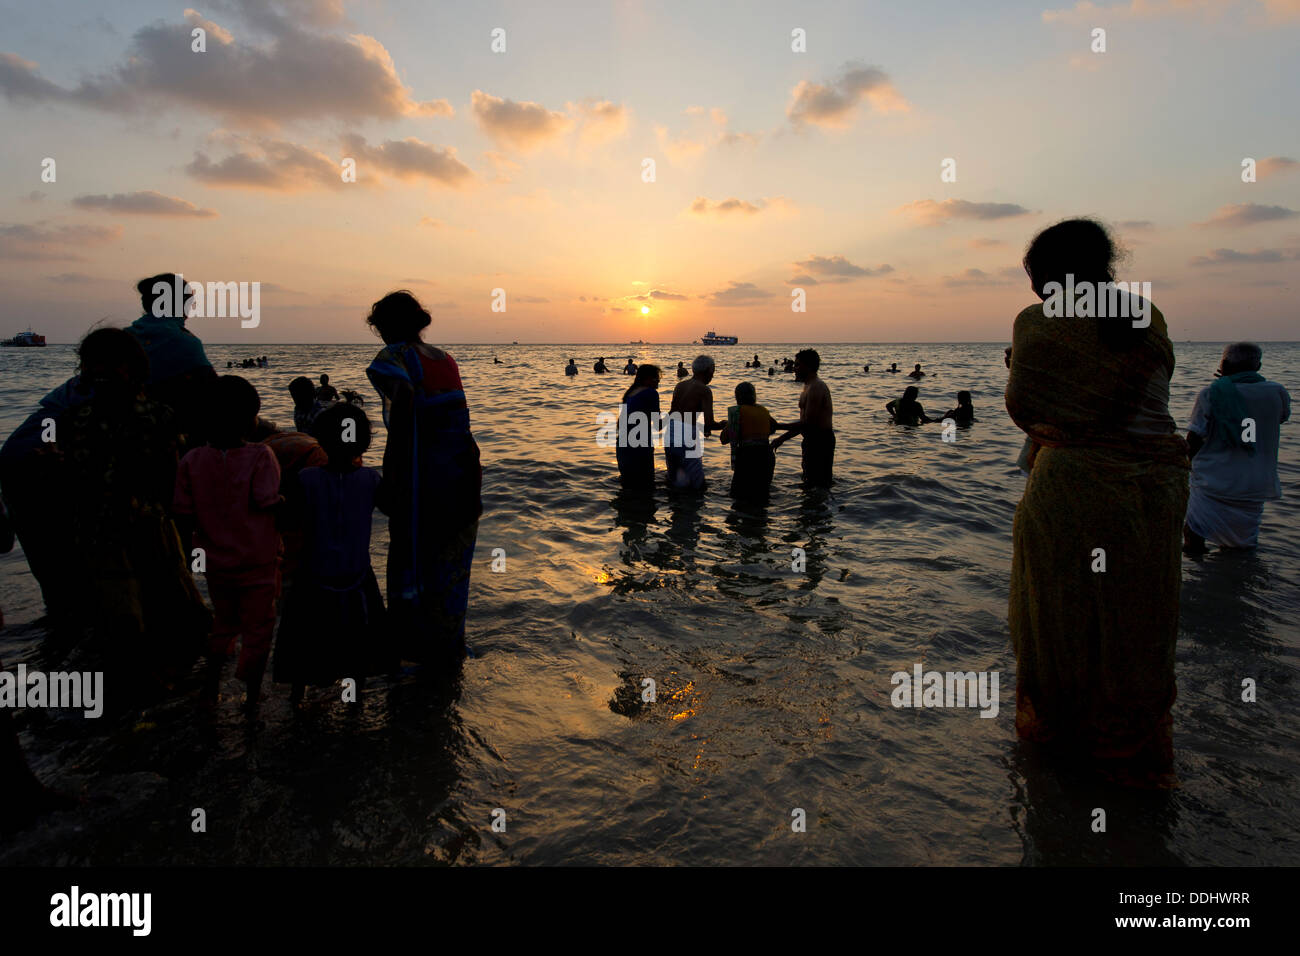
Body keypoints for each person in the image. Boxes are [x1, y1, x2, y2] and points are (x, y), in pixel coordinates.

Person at [1005, 218, 1188, 788]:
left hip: (1075, 481)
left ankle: (1064, 743)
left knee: (1061, 608)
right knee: (1138, 611)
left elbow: (1026, 406)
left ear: (1046, 274)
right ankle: (1129, 745)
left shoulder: (1037, 324)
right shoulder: (1146, 314)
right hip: (1155, 483)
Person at [59, 328, 210, 701]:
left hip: (137, 525)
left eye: (107, 366)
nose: (100, 374)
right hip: (118, 527)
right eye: (94, 367)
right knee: (138, 609)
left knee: (150, 606)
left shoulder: (145, 416)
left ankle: (153, 680)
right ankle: (151, 683)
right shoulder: (146, 415)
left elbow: (170, 476)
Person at [365, 291, 482, 663]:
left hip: (425, 478)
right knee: (451, 563)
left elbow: (401, 411)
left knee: (413, 557)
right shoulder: (445, 358)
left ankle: (411, 650)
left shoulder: (395, 356)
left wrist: (393, 477)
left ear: (385, 327)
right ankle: (447, 650)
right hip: (463, 474)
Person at [173, 375, 282, 711]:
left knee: (224, 623)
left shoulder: (191, 460)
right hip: (258, 561)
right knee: (258, 629)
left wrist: (191, 556)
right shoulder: (261, 456)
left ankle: (210, 688)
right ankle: (250, 696)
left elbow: (183, 511)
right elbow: (266, 501)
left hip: (216, 562)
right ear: (252, 419)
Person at [274, 403, 394, 704]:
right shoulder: (371, 481)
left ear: (321, 441)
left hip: (313, 576)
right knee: (356, 646)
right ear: (364, 443)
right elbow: (396, 510)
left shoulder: (305, 480)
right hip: (356, 577)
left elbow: (286, 519)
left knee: (305, 641)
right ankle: (352, 704)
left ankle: (298, 700)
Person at [1183, 343, 1290, 553]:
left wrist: (1184, 465)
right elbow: (1280, 418)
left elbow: (1194, 437)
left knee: (1194, 533)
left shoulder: (1210, 394)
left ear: (1223, 364)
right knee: (1242, 543)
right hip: (1255, 482)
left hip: (1214, 481)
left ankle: (1198, 579)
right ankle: (1239, 580)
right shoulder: (1277, 391)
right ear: (1258, 366)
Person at [127, 273, 217, 452]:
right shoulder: (184, 342)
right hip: (171, 440)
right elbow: (215, 393)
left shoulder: (123, 338)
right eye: (190, 304)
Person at [772, 349, 835, 487]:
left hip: (820, 441)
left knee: (818, 483)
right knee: (809, 480)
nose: (794, 368)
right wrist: (781, 439)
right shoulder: (807, 387)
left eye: (798, 365)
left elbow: (808, 424)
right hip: (810, 440)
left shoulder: (816, 387)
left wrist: (778, 426)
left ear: (809, 366)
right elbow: (804, 424)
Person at [666, 355, 722, 491]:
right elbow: (709, 423)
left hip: (671, 433)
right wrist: (726, 424)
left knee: (674, 480)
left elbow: (674, 413)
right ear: (708, 370)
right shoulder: (704, 390)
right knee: (697, 485)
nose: (713, 376)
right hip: (688, 437)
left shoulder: (679, 386)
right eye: (713, 372)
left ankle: (675, 509)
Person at [720, 382, 782, 498]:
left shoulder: (737, 412)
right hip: (766, 456)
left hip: (748, 456)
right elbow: (774, 426)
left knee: (738, 496)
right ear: (755, 396)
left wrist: (729, 424)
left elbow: (723, 439)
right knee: (762, 495)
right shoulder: (763, 410)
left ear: (737, 397)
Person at [617, 364, 661, 490]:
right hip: (639, 447)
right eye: (656, 378)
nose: (658, 380)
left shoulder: (630, 393)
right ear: (647, 378)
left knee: (628, 486)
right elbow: (658, 425)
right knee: (646, 487)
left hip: (622, 445)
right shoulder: (650, 393)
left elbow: (620, 423)